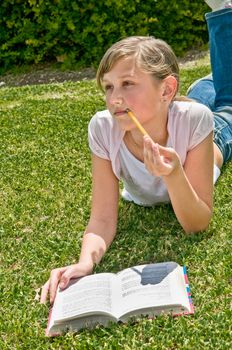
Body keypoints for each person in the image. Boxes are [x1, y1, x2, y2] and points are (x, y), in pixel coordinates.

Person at [40, 1, 232, 304]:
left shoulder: (195, 120)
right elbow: (103, 217)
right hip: (173, 104)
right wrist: (85, 262)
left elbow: (197, 224)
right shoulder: (103, 128)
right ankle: (207, 84)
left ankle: (223, 12)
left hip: (216, 137)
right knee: (216, 94)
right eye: (108, 87)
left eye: (127, 84)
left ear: (166, 89)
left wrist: (175, 175)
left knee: (227, 105)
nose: (114, 98)